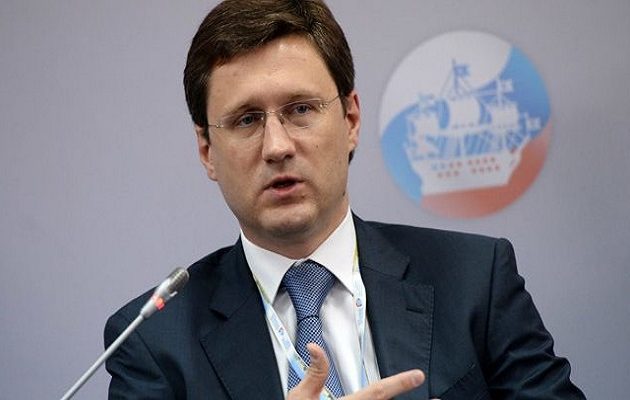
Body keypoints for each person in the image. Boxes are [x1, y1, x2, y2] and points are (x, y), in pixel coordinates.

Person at [104, 1, 586, 399]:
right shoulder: (152, 342)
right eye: (246, 120)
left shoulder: (474, 280)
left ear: (351, 120)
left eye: (300, 109)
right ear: (207, 150)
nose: (277, 146)